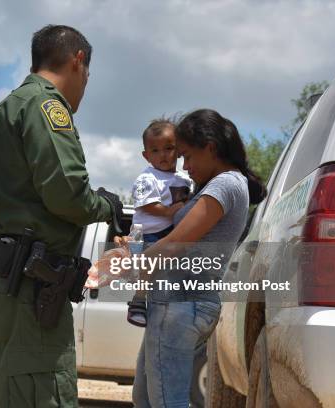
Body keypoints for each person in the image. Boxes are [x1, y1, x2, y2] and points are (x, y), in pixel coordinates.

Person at [0, 25, 123, 408]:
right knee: (42, 394)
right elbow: (68, 194)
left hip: (3, 277)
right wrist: (108, 206)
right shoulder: (47, 106)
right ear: (78, 61)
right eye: (87, 74)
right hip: (26, 285)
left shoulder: (5, 109)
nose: (85, 83)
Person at [127, 109, 267, 408]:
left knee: (166, 401)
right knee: (145, 397)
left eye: (188, 156)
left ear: (210, 147)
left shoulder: (226, 185)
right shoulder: (215, 186)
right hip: (175, 303)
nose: (185, 165)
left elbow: (177, 243)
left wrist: (124, 262)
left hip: (182, 304)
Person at [126, 118, 192, 327]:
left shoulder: (185, 179)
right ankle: (138, 302)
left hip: (169, 232)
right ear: (146, 155)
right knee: (149, 266)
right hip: (147, 233)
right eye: (155, 150)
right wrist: (168, 212)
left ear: (179, 150)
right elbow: (145, 205)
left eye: (169, 148)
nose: (163, 155)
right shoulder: (147, 178)